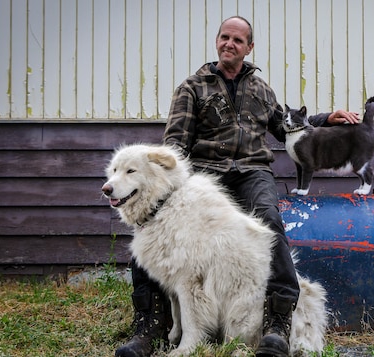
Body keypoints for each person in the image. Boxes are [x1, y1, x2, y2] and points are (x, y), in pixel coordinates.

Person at [115, 15, 359, 357]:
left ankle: (277, 322)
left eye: (238, 40)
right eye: (224, 37)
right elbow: (174, 146)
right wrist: (168, 192)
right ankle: (148, 326)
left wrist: (323, 119)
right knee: (153, 229)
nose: (229, 44)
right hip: (204, 173)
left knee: (270, 222)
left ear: (249, 47)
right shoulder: (192, 87)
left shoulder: (260, 89)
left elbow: (283, 126)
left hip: (251, 172)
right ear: (217, 41)